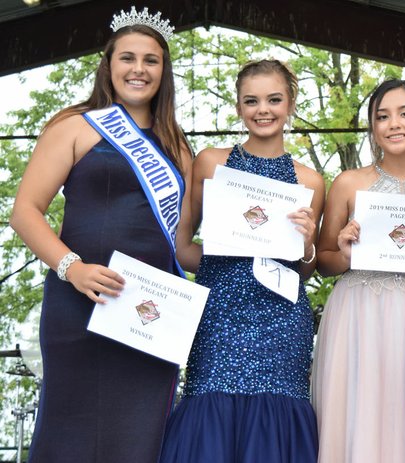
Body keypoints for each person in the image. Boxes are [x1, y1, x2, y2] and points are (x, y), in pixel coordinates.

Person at [9, 7, 194, 462]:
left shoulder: (177, 144)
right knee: (69, 430)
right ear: (108, 65)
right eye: (127, 58)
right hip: (79, 303)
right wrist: (73, 270)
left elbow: (188, 242)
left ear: (163, 71)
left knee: (140, 436)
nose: (138, 69)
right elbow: (24, 212)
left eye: (151, 60)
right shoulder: (75, 125)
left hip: (150, 311)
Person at [159, 59, 325, 463]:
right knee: (208, 419)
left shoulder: (311, 181)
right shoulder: (211, 163)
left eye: (273, 99)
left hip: (281, 322)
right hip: (219, 315)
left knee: (275, 424)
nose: (262, 110)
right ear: (238, 106)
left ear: (291, 103)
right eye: (251, 101)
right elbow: (182, 249)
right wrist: (227, 257)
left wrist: (308, 246)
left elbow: (305, 270)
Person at [311, 79, 405, 462]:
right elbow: (323, 261)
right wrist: (345, 252)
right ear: (373, 128)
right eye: (382, 116)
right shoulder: (349, 183)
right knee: (352, 413)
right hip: (356, 312)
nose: (394, 124)